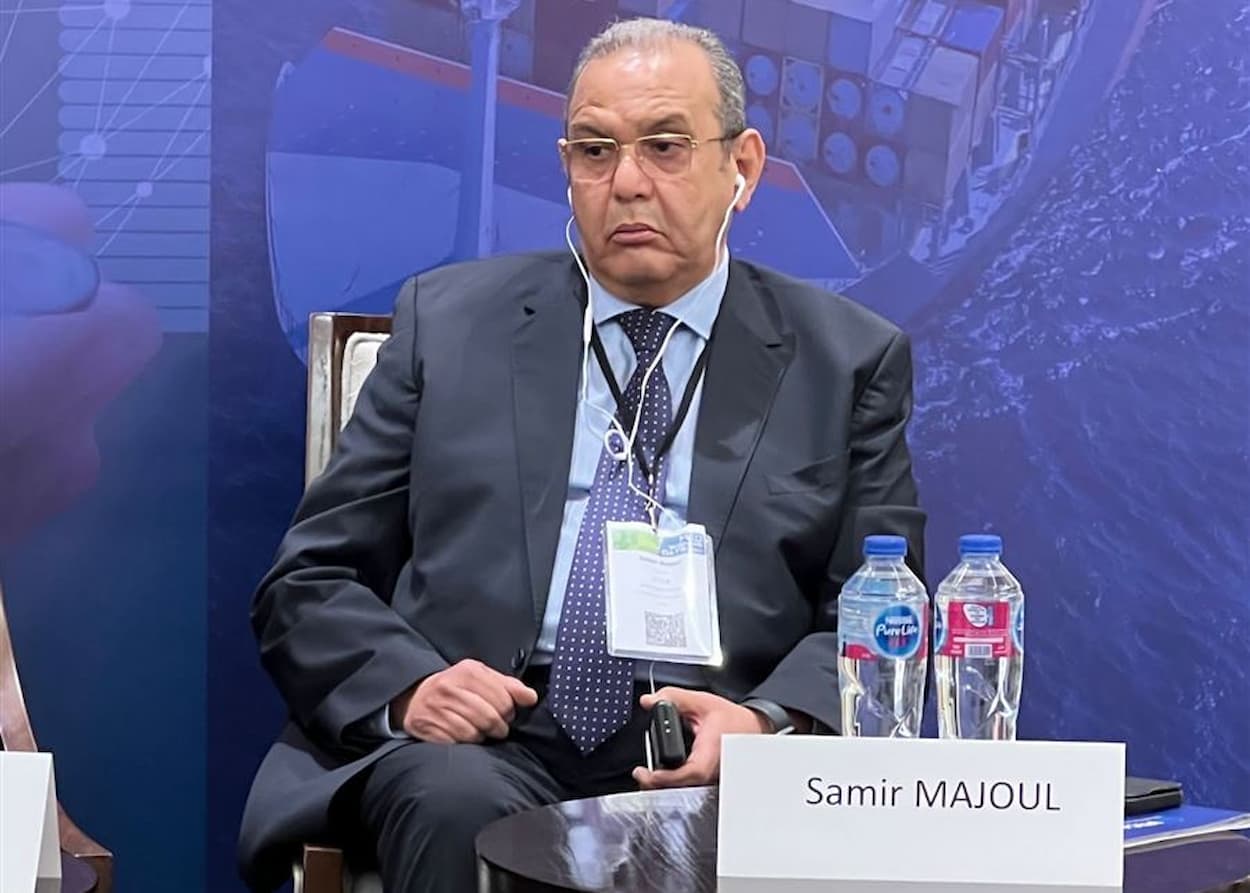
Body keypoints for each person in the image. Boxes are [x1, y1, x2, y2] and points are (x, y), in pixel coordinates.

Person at [238, 18, 925, 893]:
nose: (627, 182)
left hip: (709, 748)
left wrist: (766, 724)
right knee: (449, 800)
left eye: (665, 147)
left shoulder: (846, 360)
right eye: (595, 151)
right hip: (489, 740)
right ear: (567, 167)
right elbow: (308, 581)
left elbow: (881, 614)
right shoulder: (448, 325)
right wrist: (412, 689)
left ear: (743, 168)